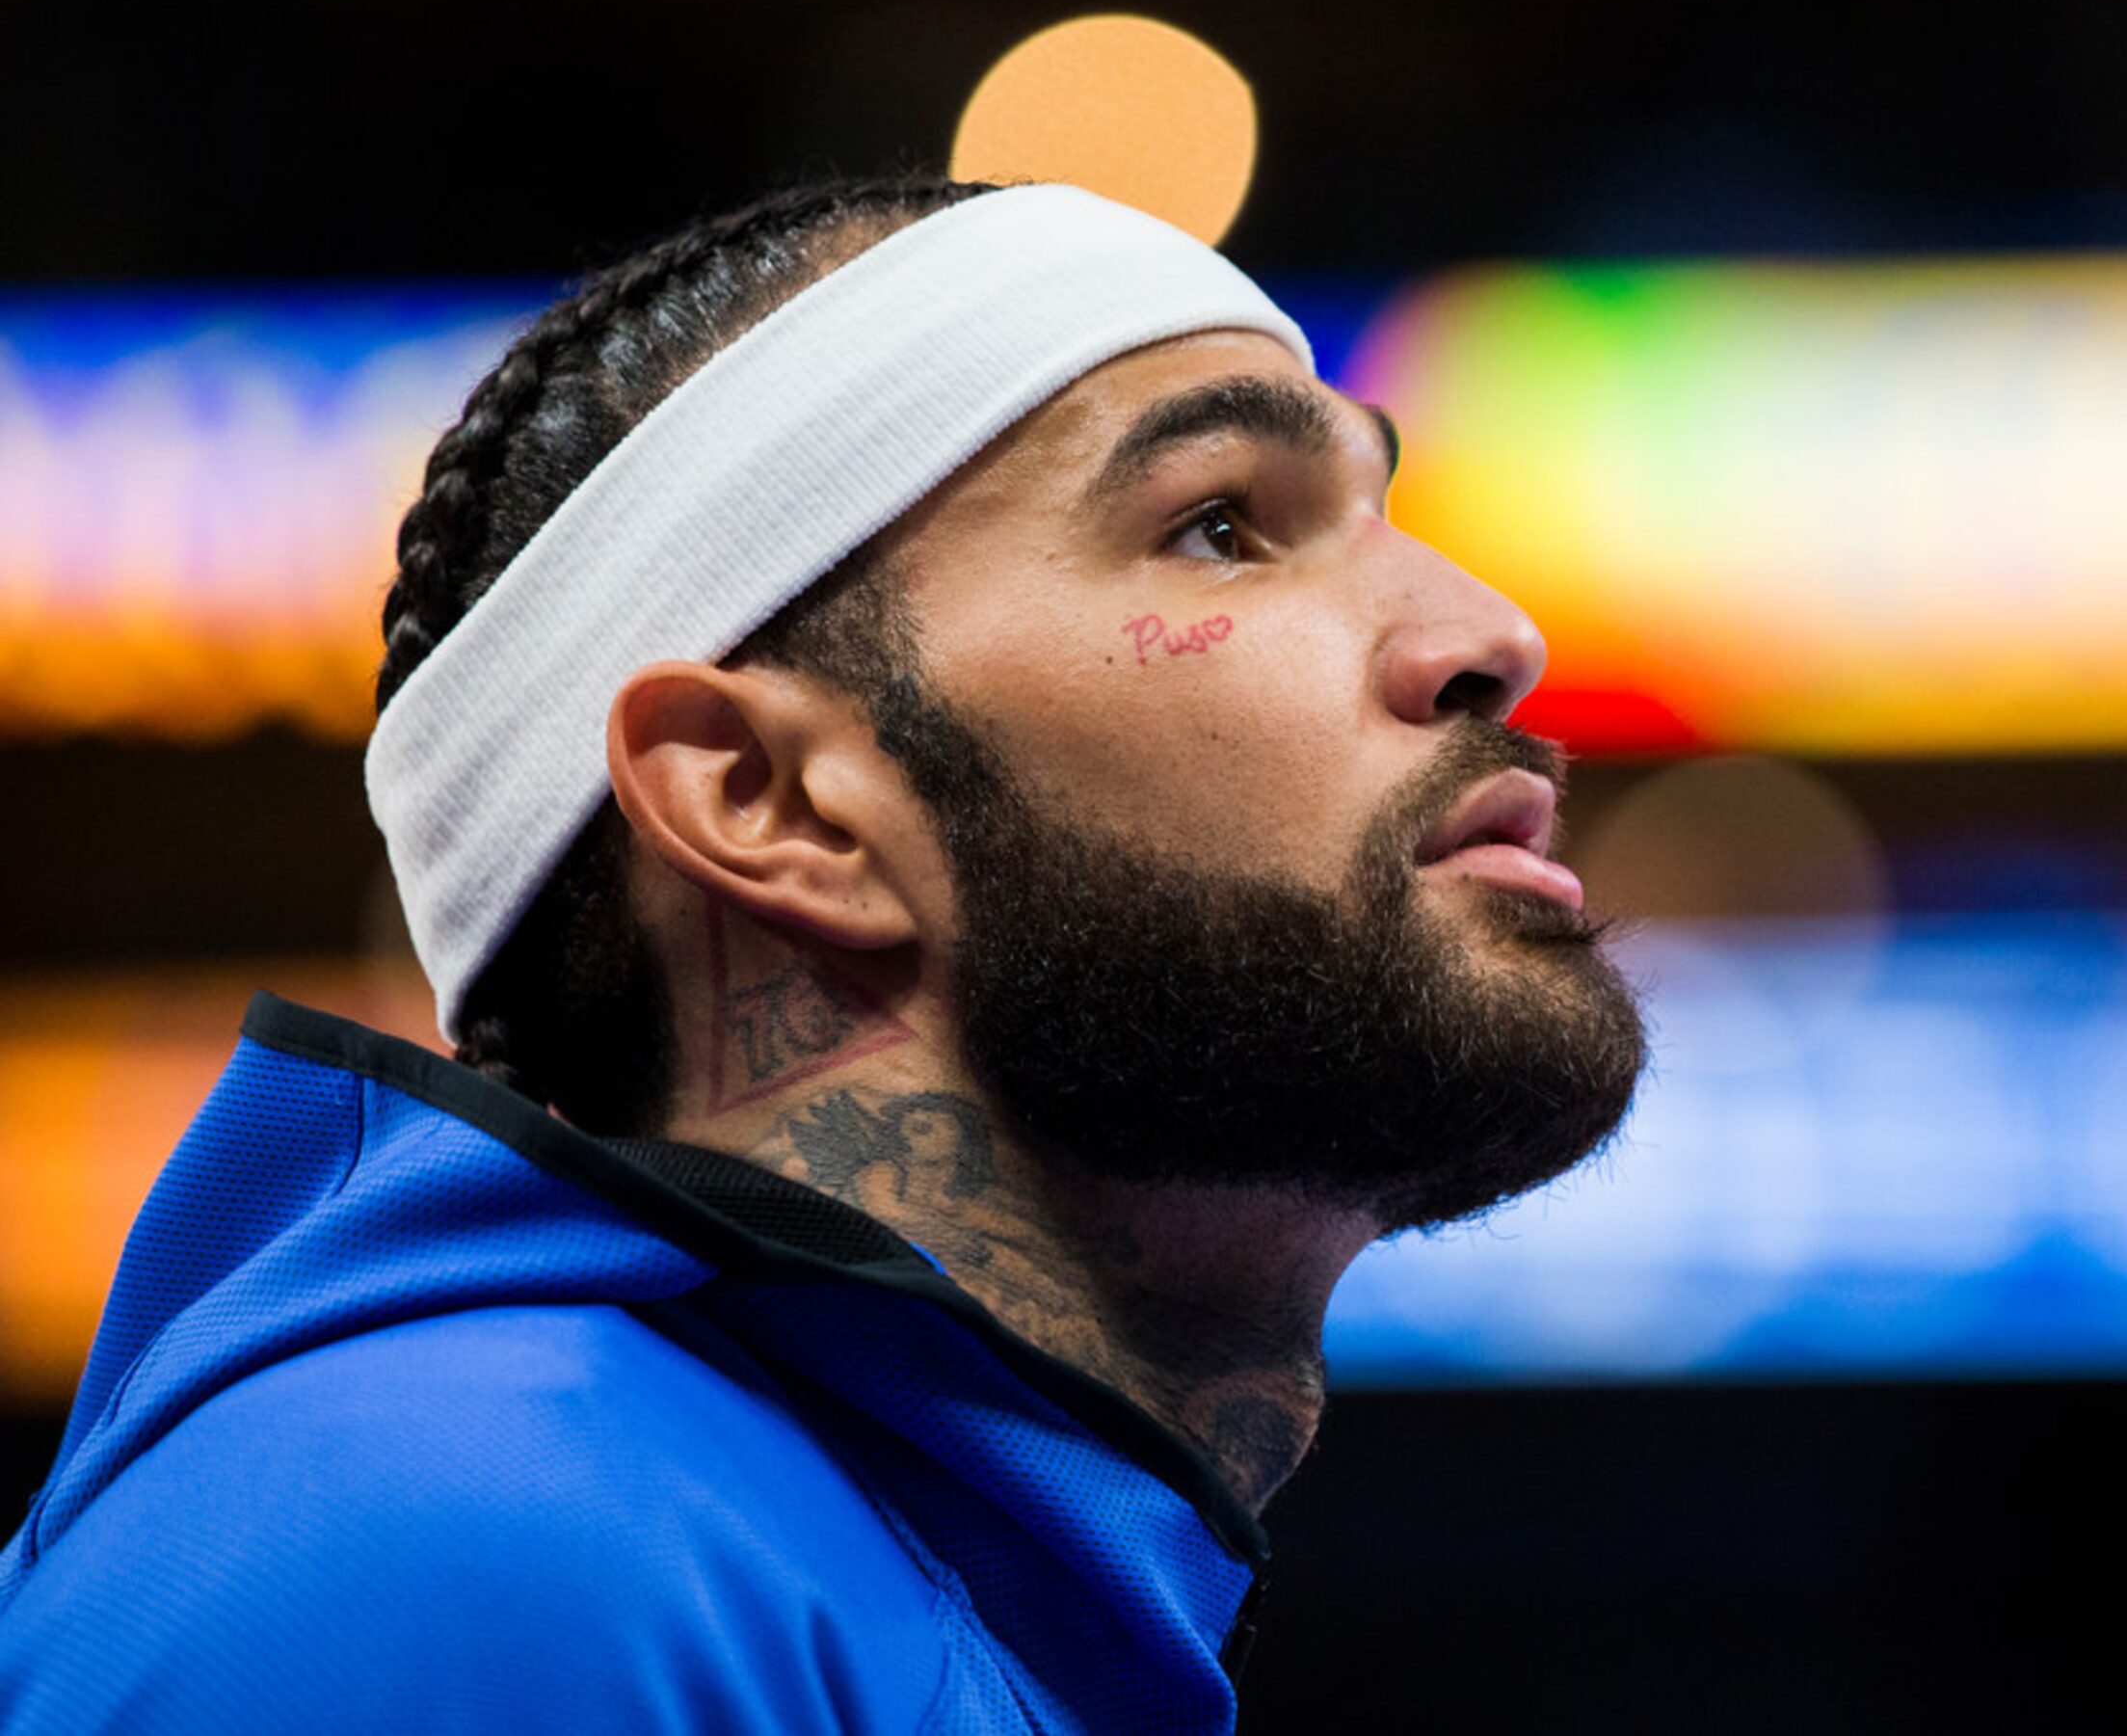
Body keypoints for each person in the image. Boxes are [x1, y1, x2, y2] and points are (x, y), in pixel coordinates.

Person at [0, 174, 1647, 1733]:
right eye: (1220, 522)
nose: (1491, 632)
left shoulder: (763, 1557)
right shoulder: (464, 1549)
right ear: (766, 797)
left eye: (1380, 507)